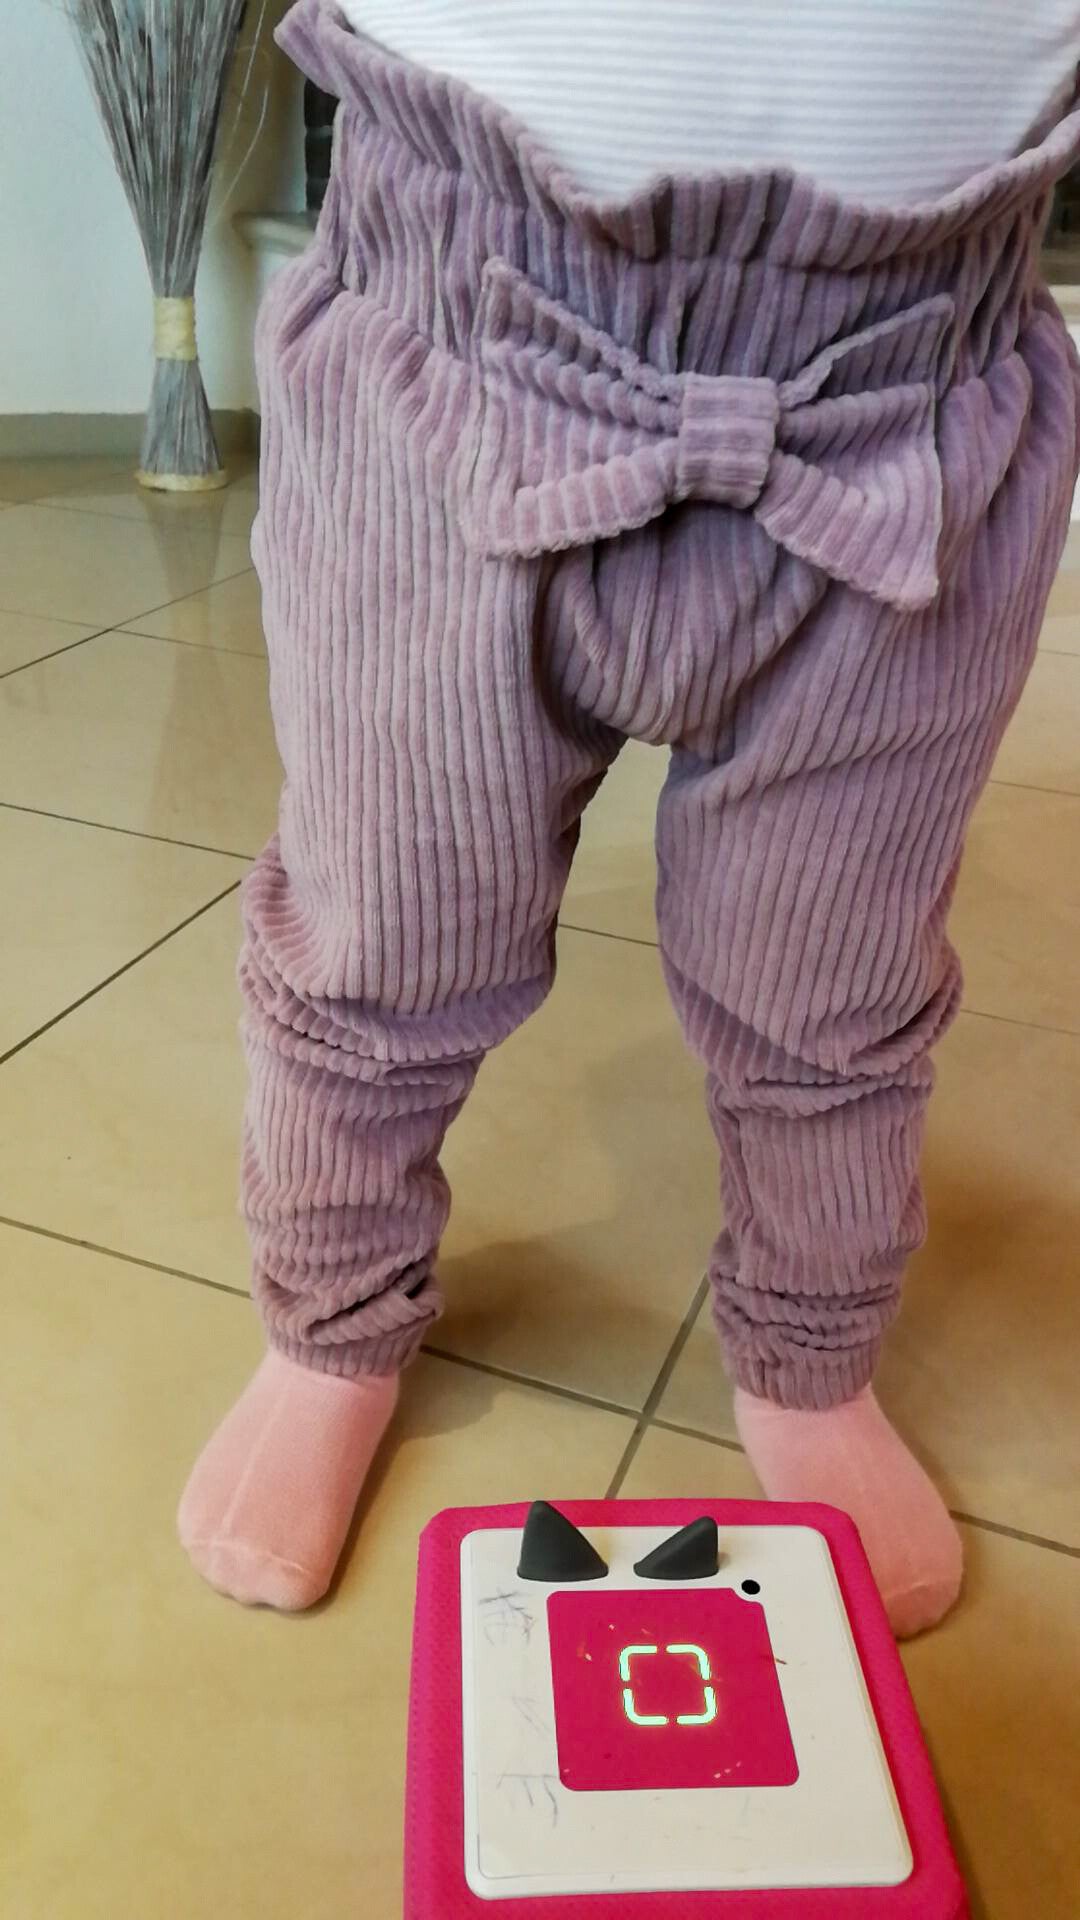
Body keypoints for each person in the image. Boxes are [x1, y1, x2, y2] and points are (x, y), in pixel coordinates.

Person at [179, 0, 1080, 1631]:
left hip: (915, 407)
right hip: (453, 351)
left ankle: (812, 1355)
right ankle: (327, 1321)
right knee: (385, 915)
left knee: (833, 969)